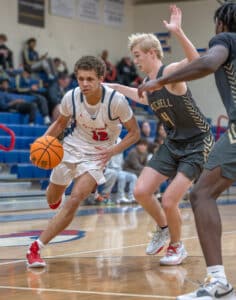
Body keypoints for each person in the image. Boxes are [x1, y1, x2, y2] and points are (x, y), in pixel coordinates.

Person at [139, 2, 236, 299]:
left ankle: (218, 281)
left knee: (202, 193)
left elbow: (207, 63)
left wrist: (162, 80)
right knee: (198, 192)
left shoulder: (226, 39)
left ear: (221, 23)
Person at [106, 4, 214, 265]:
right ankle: (164, 229)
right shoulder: (148, 85)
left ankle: (177, 246)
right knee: (141, 191)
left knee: (168, 199)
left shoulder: (171, 72)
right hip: (173, 142)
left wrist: (177, 31)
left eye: (137, 55)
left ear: (152, 53)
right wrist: (110, 87)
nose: (135, 61)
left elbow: (196, 61)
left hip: (198, 141)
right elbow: (138, 96)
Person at [26, 55, 140, 268]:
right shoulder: (71, 97)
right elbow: (60, 124)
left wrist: (113, 150)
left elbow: (134, 133)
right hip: (71, 146)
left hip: (98, 154)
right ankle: (56, 196)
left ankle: (36, 248)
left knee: (76, 198)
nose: (85, 84)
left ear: (100, 79)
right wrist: (42, 144)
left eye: (90, 79)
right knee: (52, 197)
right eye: (80, 79)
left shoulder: (116, 101)